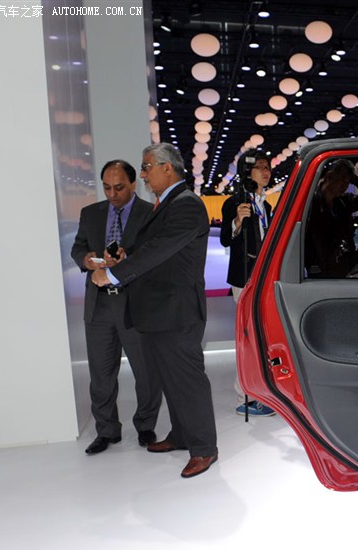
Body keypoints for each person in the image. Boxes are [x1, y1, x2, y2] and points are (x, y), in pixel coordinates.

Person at [91, 143, 218, 478]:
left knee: (187, 381)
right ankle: (181, 435)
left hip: (177, 312)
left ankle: (204, 448)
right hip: (159, 311)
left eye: (147, 167)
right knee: (169, 379)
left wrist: (114, 274)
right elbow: (152, 248)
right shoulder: (169, 203)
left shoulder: (187, 203)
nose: (144, 175)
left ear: (167, 168)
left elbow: (161, 249)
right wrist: (126, 256)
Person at [70, 160, 162, 455]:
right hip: (99, 305)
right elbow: (78, 247)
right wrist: (86, 259)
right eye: (107, 188)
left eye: (119, 188)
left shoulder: (151, 213)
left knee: (146, 372)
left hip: (136, 305)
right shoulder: (90, 213)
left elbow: (156, 255)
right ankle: (106, 431)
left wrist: (128, 260)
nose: (112, 194)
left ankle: (145, 425)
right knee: (101, 374)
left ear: (133, 184)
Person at [220, 150, 275, 417]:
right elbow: (225, 240)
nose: (266, 172)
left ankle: (260, 388)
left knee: (261, 335)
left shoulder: (266, 206)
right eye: (260, 167)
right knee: (248, 337)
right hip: (244, 278)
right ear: (247, 172)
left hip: (264, 278)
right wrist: (237, 222)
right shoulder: (234, 203)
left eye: (268, 167)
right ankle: (245, 392)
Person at [305, 158, 358, 277]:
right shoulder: (310, 203)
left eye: (348, 182)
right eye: (342, 180)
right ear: (329, 177)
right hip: (319, 269)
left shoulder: (344, 202)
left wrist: (354, 179)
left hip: (343, 266)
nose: (345, 185)